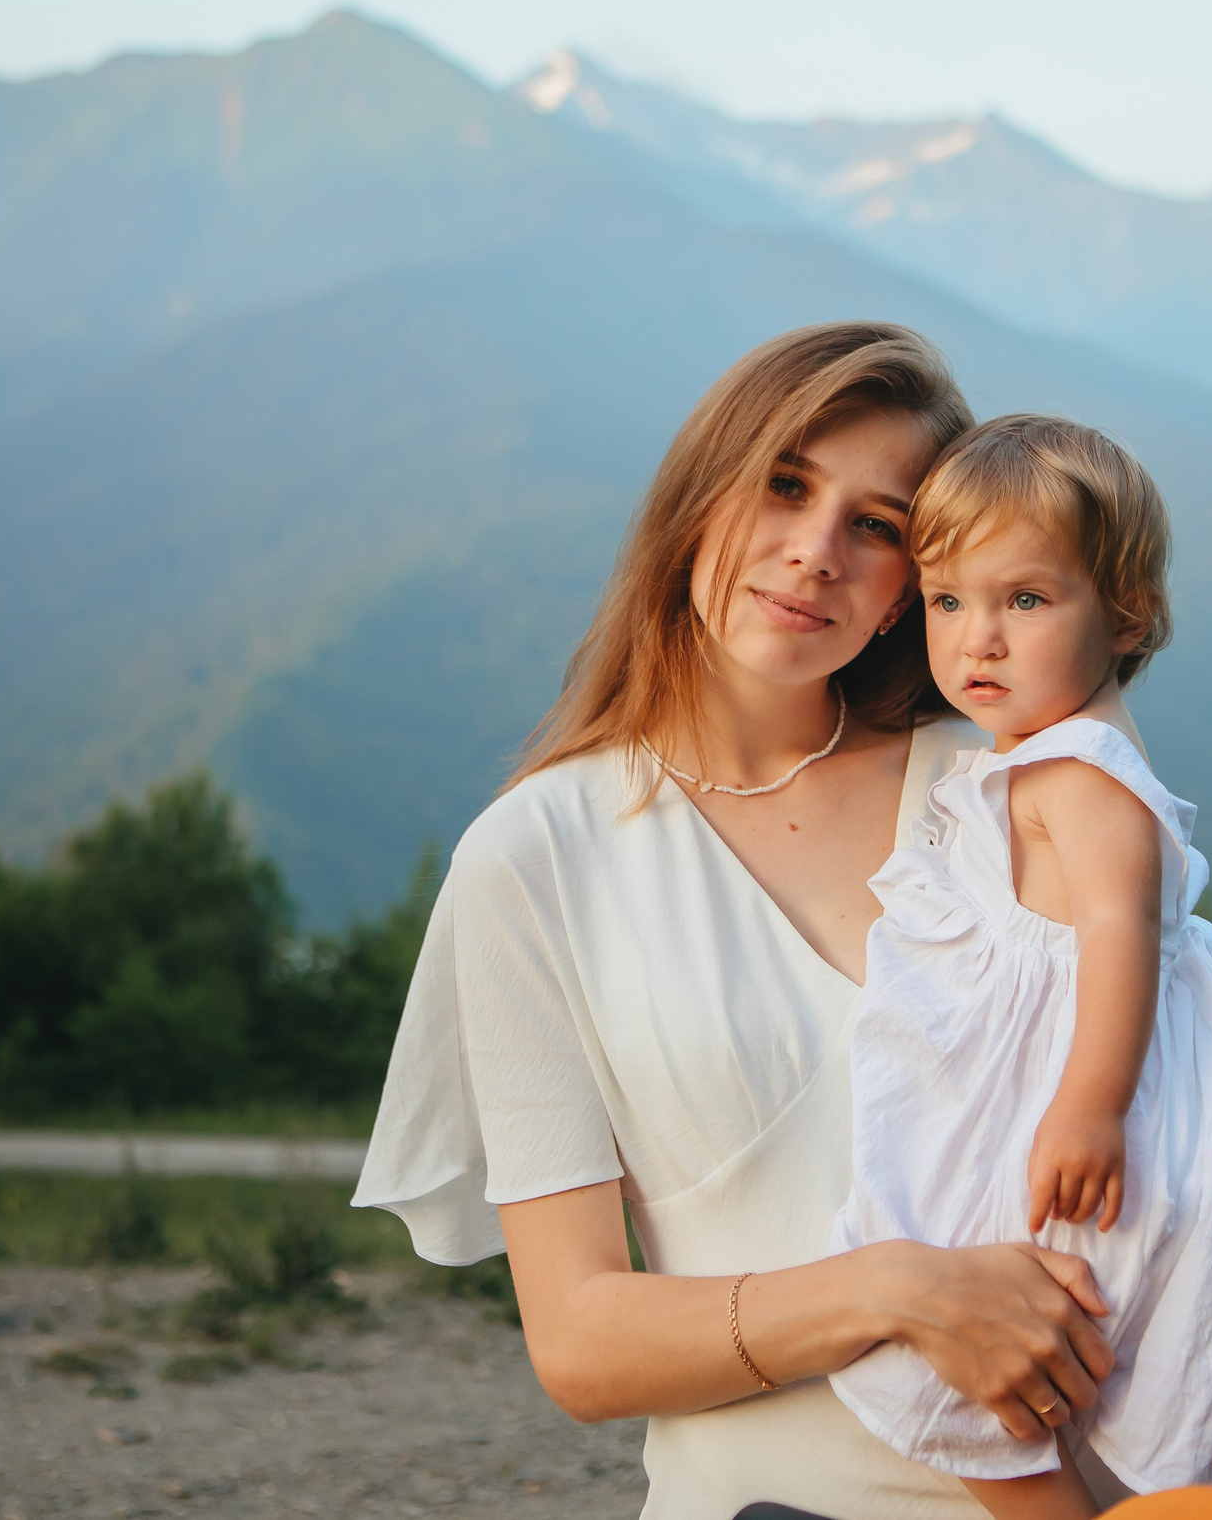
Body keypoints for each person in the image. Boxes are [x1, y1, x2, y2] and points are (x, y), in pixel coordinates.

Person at [355, 326, 1127, 1520]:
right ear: (695, 501)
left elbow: (1181, 1126)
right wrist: (901, 1293)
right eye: (784, 484)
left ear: (910, 590)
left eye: (877, 526)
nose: (816, 552)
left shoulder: (1000, 793)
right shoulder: (535, 858)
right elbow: (581, 1343)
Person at [829, 416, 1212, 1518]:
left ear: (1128, 613)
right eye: (948, 602)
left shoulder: (1078, 778)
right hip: (1097, 1088)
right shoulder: (1044, 754)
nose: (978, 640)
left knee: (1009, 1383)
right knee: (1038, 1374)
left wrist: (1087, 1106)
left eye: (1024, 601)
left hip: (1107, 1107)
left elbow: (1121, 931)